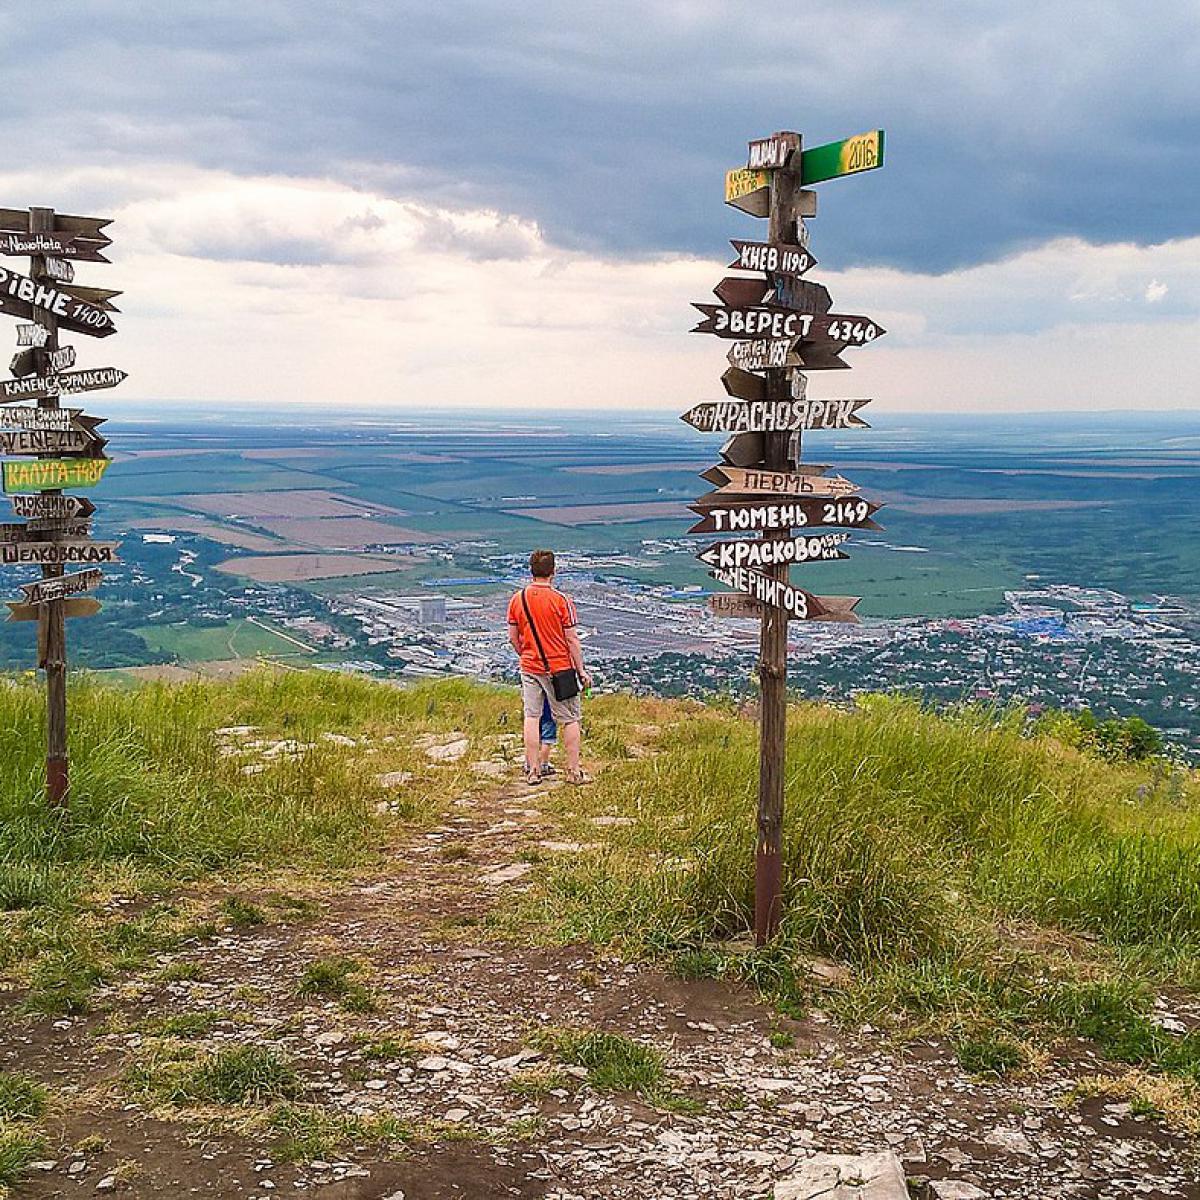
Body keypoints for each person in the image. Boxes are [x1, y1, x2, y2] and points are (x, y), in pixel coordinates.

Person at [507, 549, 591, 786]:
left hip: (530, 666)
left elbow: (513, 637)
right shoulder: (562, 601)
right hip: (560, 669)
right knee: (571, 718)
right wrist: (581, 670)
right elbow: (572, 639)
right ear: (553, 571)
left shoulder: (518, 599)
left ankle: (533, 770)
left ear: (531, 570)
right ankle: (574, 772)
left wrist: (525, 654)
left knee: (531, 716)